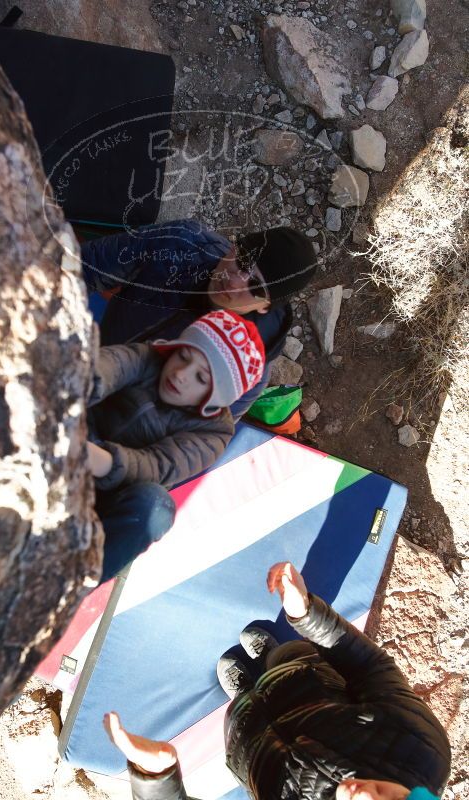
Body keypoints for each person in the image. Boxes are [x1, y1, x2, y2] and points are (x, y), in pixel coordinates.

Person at [101, 562, 451, 800]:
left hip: (251, 747)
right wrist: (307, 615)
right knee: (284, 655)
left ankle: (244, 693)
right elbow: (371, 668)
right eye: (392, 799)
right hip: (304, 679)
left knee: (240, 710)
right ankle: (270, 656)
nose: (364, 796)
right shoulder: (425, 750)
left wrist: (156, 775)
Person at [86, 309, 265, 582]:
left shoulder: (213, 433)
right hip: (77, 434)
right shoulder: (149, 357)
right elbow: (110, 366)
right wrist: (77, 385)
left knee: (156, 507)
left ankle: (72, 583)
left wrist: (97, 459)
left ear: (216, 397)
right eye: (183, 355)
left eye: (201, 378)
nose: (181, 373)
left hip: (111, 491)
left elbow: (157, 467)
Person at [80, 219, 317, 419]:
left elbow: (195, 433)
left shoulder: (245, 372)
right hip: (96, 350)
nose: (235, 281)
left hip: (127, 415)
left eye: (255, 287)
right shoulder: (180, 243)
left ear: (265, 307)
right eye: (243, 261)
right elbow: (84, 266)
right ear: (234, 247)